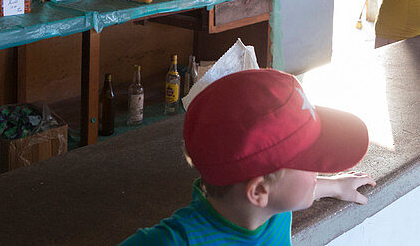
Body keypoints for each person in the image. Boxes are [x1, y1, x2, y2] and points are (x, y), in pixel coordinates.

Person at [121, 69, 375, 245]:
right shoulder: (179, 240)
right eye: (310, 162)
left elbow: (294, 188)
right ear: (258, 192)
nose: (320, 170)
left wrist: (335, 186)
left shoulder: (275, 209)